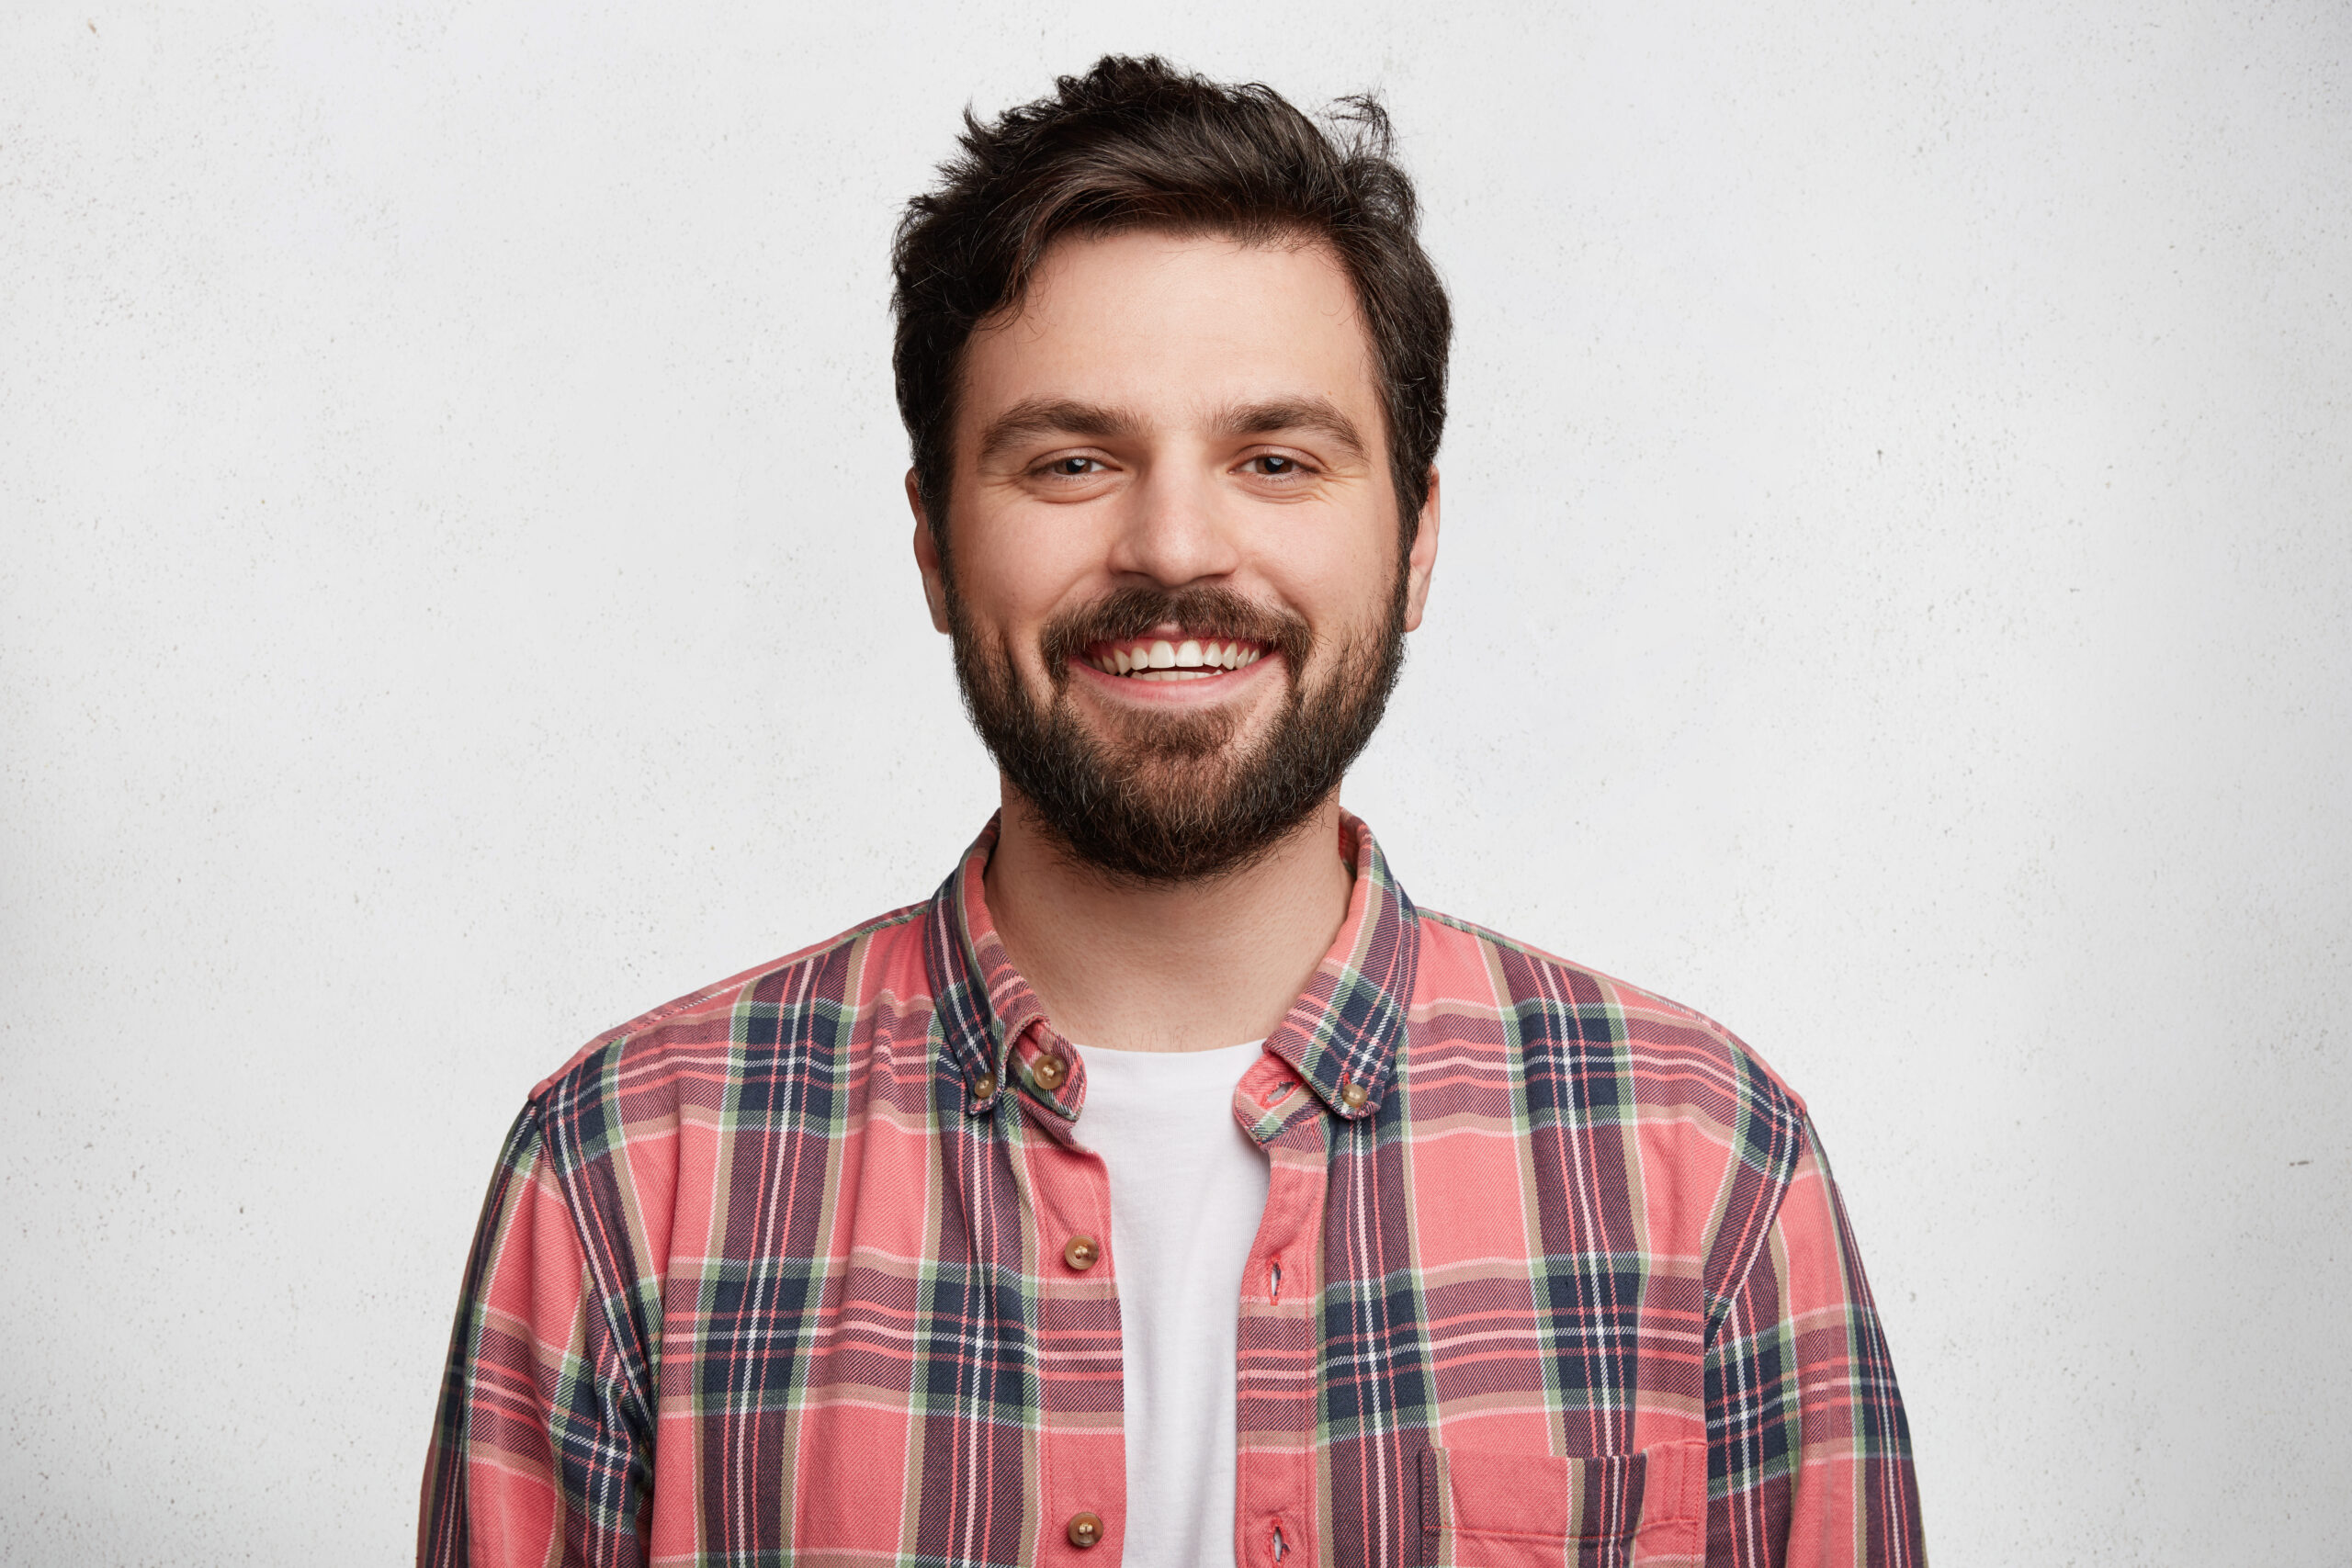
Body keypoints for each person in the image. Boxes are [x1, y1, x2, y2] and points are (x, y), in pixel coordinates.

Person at [419, 55, 1924, 1568]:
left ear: (1415, 540)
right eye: (1073, 460)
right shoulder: (630, 1170)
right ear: (936, 544)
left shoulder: (1706, 1169)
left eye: (1277, 459)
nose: (1177, 547)